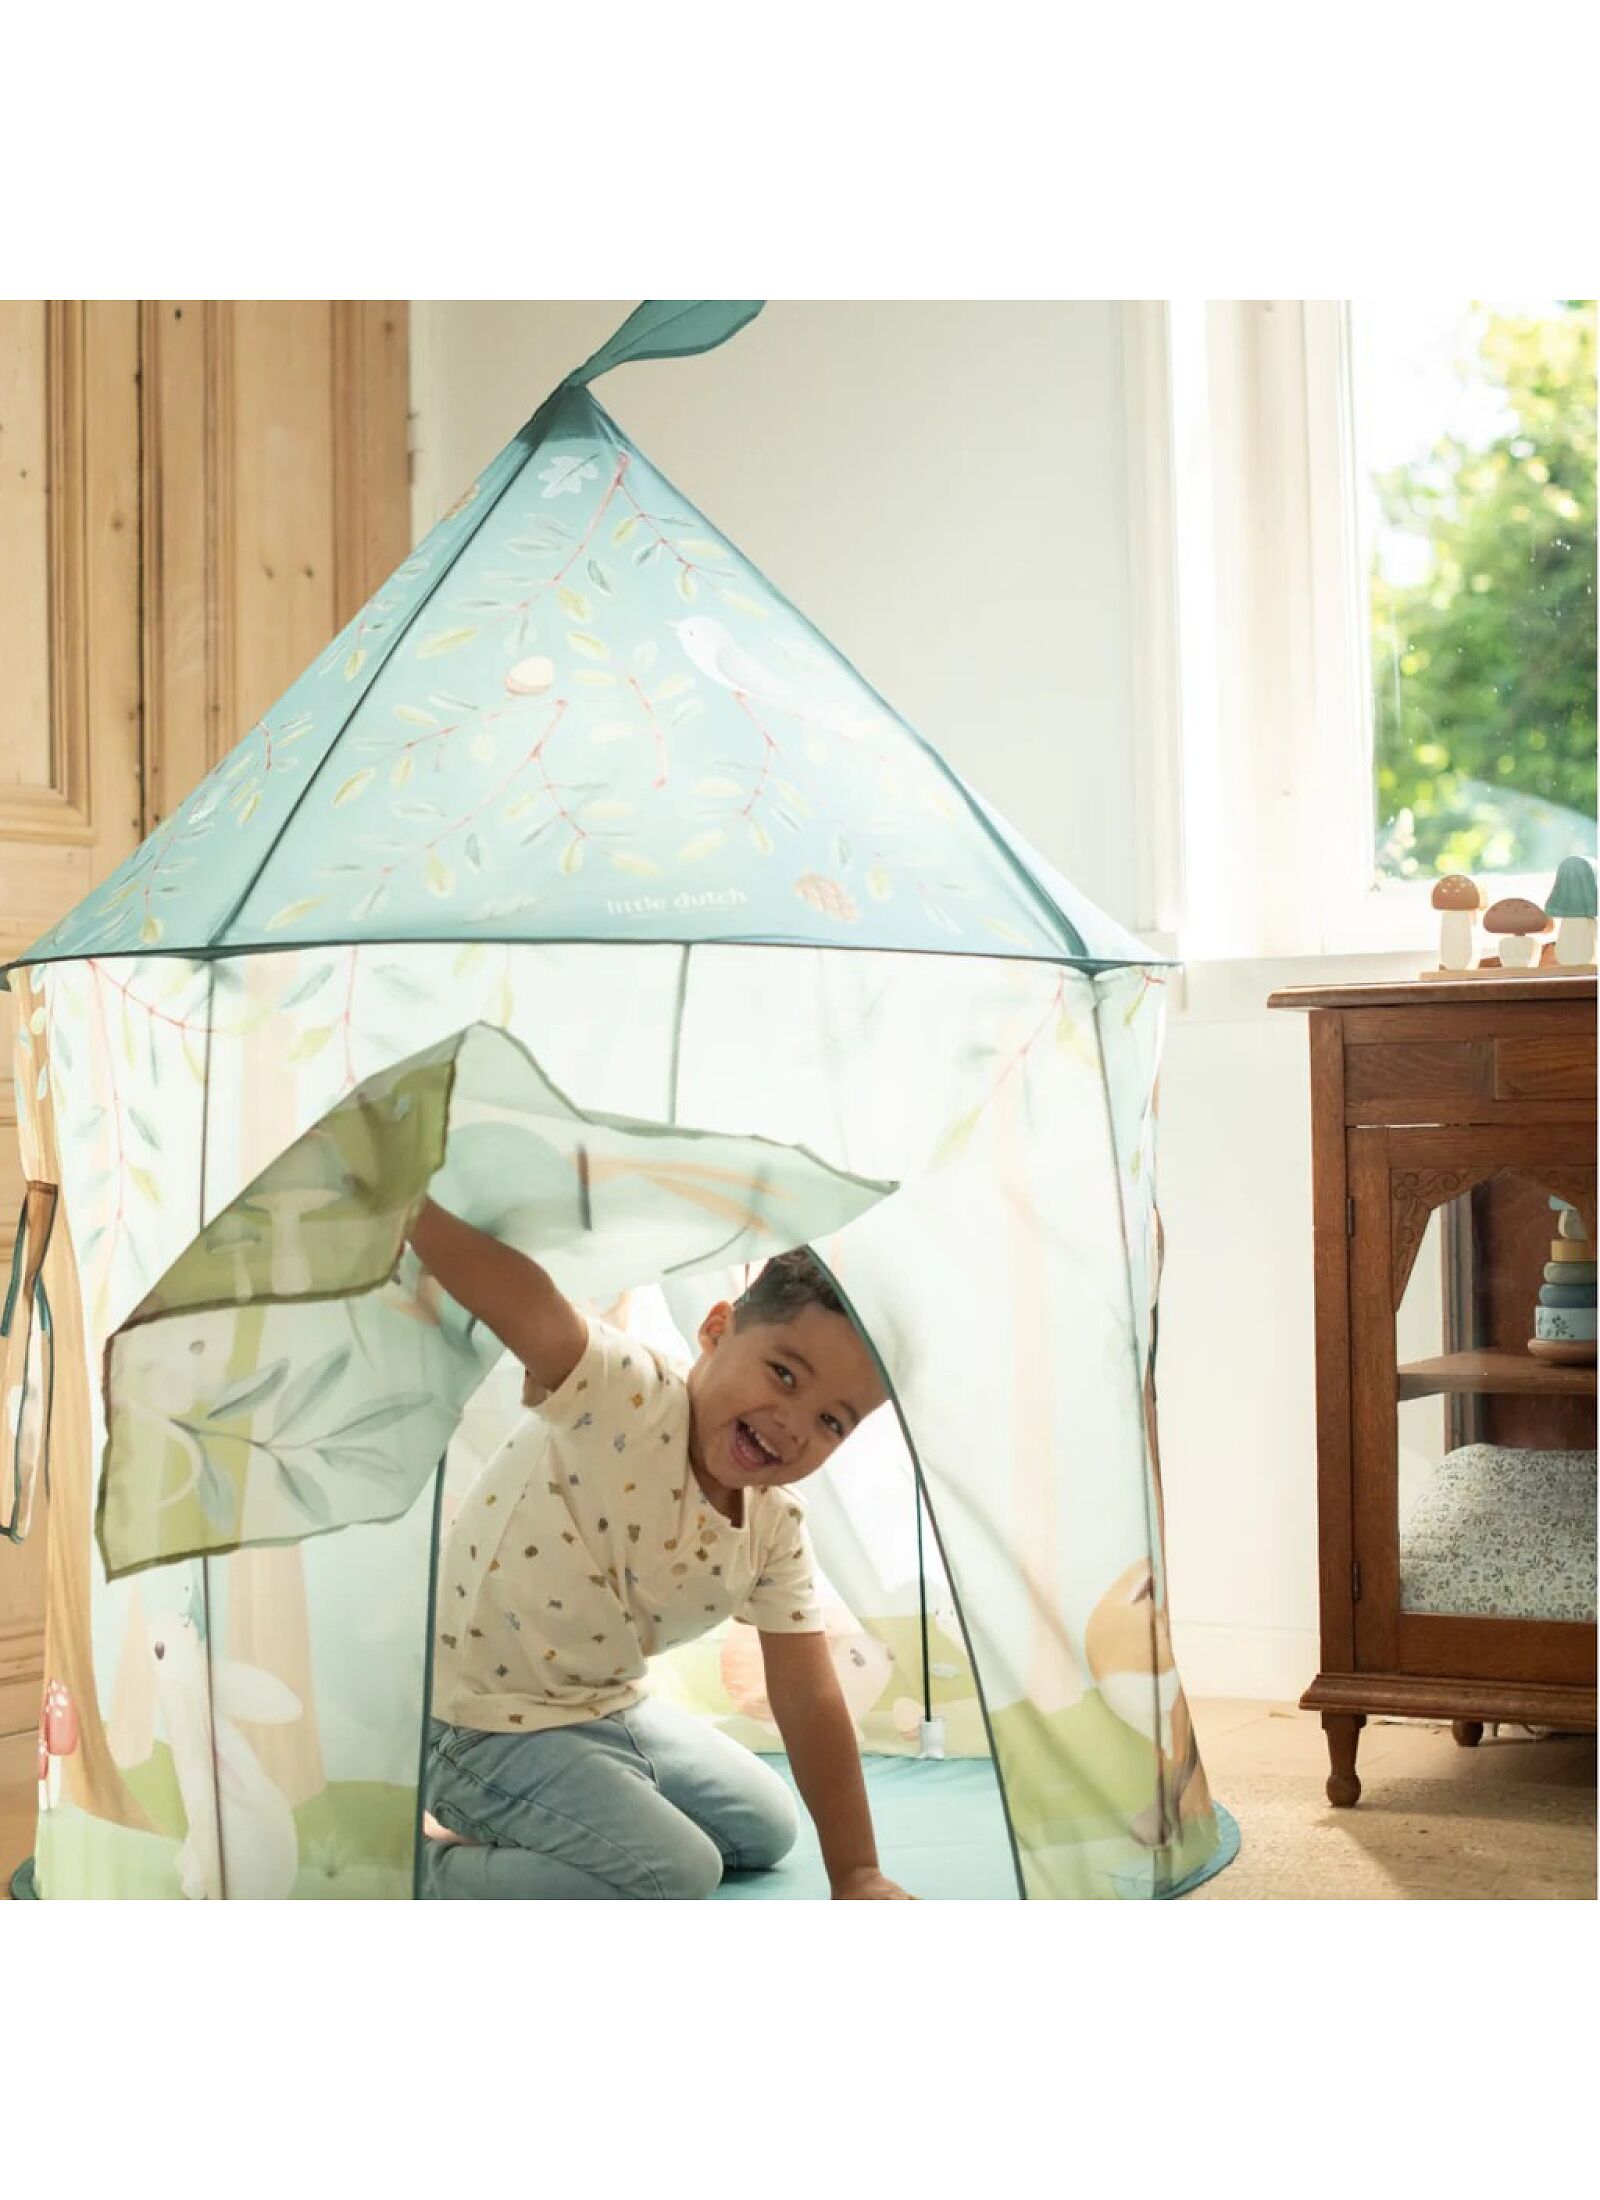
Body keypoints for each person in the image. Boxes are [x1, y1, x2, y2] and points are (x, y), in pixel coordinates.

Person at [408, 1198, 912, 1900]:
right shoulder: (625, 1394)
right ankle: (424, 1874)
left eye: (831, 1420)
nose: (793, 1425)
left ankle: (546, 1819)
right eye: (784, 1375)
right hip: (478, 1721)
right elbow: (527, 1306)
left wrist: (856, 1872)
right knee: (677, 1872)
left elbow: (807, 1695)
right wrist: (413, 1214)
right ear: (715, 1330)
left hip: (603, 1707)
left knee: (767, 1828)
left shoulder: (773, 1527)